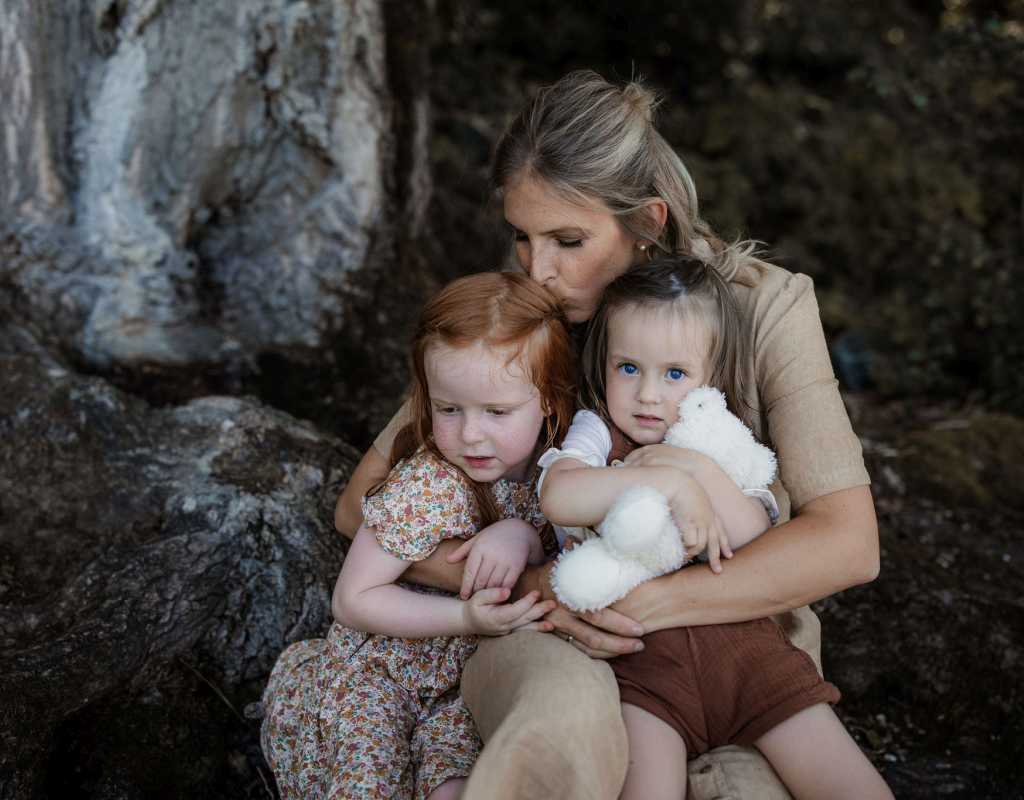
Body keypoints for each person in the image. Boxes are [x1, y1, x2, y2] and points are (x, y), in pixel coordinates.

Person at [334, 70, 880, 799]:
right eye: (522, 239)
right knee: (559, 727)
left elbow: (849, 542)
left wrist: (651, 604)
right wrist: (538, 590)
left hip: (733, 642)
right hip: (549, 640)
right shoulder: (518, 314)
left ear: (646, 223)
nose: (540, 270)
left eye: (567, 240)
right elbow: (361, 502)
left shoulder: (767, 307)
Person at [539, 257, 892, 800]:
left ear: (711, 378)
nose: (649, 394)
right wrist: (667, 482)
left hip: (749, 656)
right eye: (628, 368)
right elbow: (560, 496)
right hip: (644, 673)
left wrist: (696, 472)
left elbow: (754, 537)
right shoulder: (598, 431)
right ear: (603, 364)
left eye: (675, 374)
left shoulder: (719, 440)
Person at [261, 272, 576, 800]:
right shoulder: (430, 483)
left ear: (548, 401)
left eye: (497, 412)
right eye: (449, 409)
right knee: (369, 783)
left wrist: (519, 533)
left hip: (458, 691)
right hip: (381, 677)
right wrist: (467, 616)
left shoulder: (560, 476)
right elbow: (354, 597)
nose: (471, 434)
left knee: (458, 786)